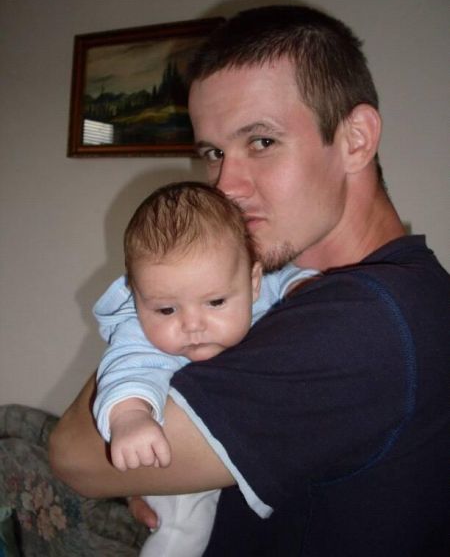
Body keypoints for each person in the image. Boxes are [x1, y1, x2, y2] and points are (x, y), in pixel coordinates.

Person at [50, 4, 450, 556]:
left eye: (261, 142)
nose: (225, 187)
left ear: (356, 139)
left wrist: (154, 311)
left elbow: (74, 455)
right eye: (214, 152)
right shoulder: (379, 293)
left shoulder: (364, 321)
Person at [92, 180, 317, 556]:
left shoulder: (261, 289)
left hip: (238, 459)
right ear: (137, 297)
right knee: (184, 526)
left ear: (253, 282)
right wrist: (130, 418)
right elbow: (127, 370)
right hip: (168, 453)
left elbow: (293, 279)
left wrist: (305, 290)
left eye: (215, 302)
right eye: (166, 309)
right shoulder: (141, 333)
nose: (192, 325)